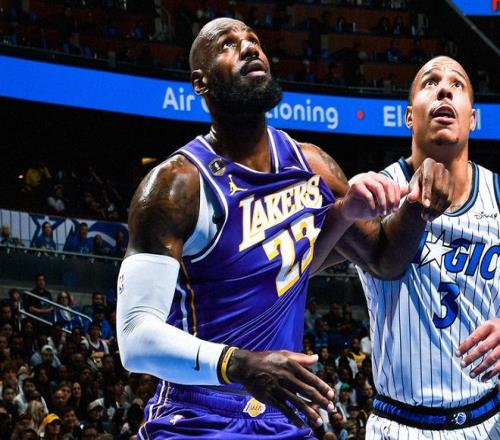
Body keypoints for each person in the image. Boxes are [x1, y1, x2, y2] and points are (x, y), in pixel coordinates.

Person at [116, 18, 451, 438]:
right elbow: (135, 339)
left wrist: (411, 205)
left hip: (281, 414)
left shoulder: (312, 166)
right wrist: (239, 364)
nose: (249, 47)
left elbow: (384, 260)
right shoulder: (175, 186)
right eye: (228, 44)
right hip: (198, 413)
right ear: (200, 82)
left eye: (254, 40)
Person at [357, 56, 500, 438]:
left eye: (457, 84)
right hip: (400, 425)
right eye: (430, 82)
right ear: (409, 116)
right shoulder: (374, 192)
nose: (444, 90)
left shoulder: (499, 194)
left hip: (489, 421)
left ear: (472, 118)